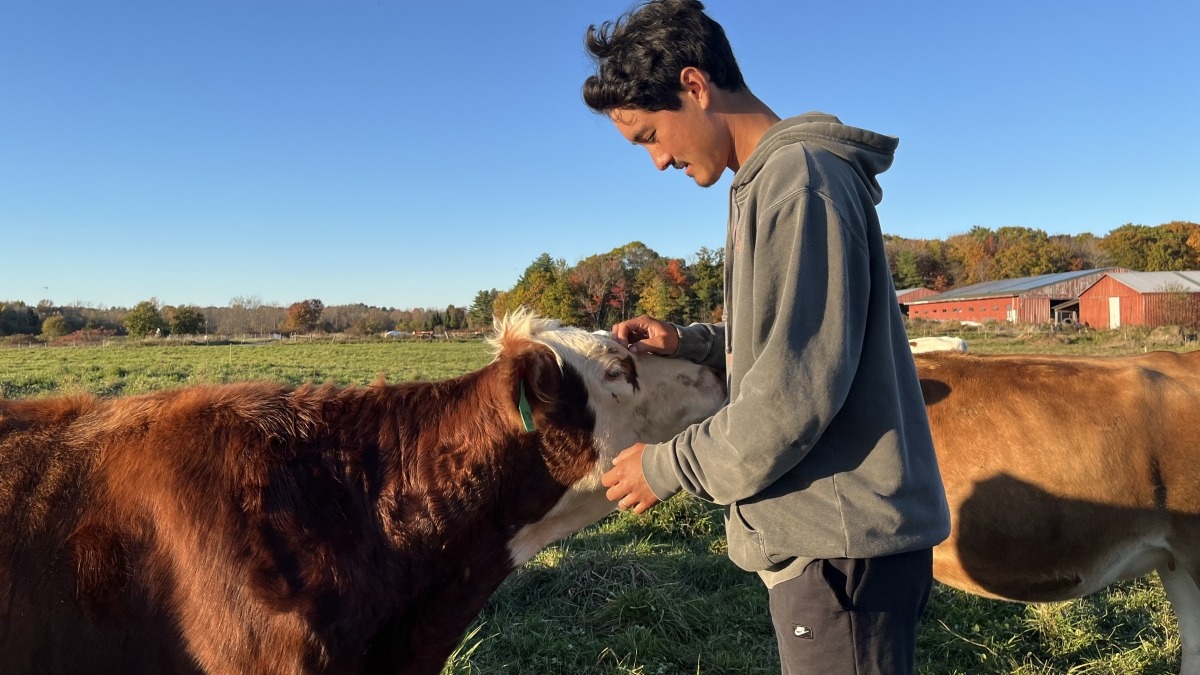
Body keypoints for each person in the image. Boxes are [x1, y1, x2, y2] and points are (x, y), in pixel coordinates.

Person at [581, 2, 952, 674]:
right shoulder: (772, 182)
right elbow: (802, 337)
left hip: (841, 553)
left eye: (649, 136)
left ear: (695, 87)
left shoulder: (798, 181)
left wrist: (662, 466)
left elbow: (788, 398)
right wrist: (693, 341)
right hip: (834, 543)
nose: (657, 161)